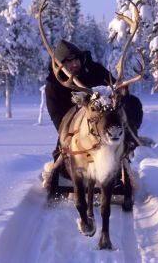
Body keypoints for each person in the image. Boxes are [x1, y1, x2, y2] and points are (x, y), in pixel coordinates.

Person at [44, 39, 144, 197]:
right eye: (69, 62)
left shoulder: (94, 70)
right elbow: (59, 117)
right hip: (74, 130)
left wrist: (120, 92)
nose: (75, 64)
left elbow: (112, 87)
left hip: (104, 123)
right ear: (61, 65)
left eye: (76, 59)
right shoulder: (54, 85)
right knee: (66, 157)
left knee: (131, 106)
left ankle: (120, 165)